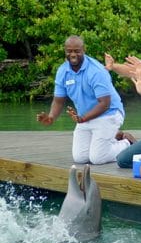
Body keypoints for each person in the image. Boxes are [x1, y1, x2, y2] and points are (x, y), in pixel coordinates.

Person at [36, 35, 132, 165]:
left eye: (77, 51)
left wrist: (83, 118)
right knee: (80, 158)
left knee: (98, 158)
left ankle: (127, 143)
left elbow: (105, 104)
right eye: (69, 51)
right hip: (85, 117)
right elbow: (58, 100)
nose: (73, 54)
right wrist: (51, 117)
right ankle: (114, 135)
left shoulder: (96, 71)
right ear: (65, 51)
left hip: (109, 114)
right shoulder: (62, 71)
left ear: (84, 50)